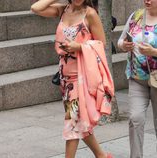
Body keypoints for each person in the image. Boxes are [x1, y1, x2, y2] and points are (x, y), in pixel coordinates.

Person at [31, 0, 114, 158]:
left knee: (72, 123)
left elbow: (102, 44)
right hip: (65, 77)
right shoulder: (63, 9)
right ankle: (101, 156)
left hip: (81, 77)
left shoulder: (89, 13)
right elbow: (35, 8)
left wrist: (79, 47)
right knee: (78, 120)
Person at [118, 0, 157, 158]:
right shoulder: (136, 16)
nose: (147, 0)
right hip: (137, 78)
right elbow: (120, 40)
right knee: (136, 119)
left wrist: (154, 51)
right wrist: (124, 45)